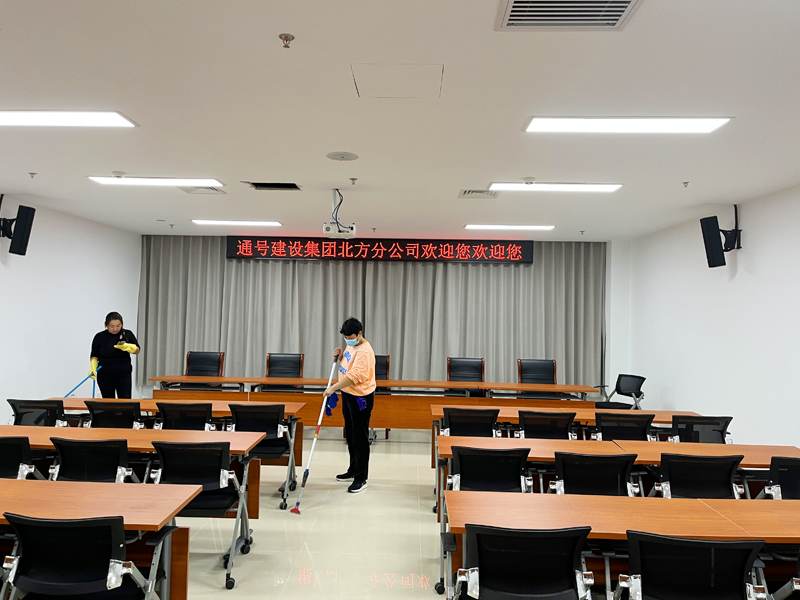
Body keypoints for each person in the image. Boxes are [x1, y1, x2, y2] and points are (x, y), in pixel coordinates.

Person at [324, 317, 376, 494]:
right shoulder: (351, 345)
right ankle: (353, 469)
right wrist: (339, 358)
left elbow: (354, 377)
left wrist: (333, 388)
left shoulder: (365, 352)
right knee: (351, 434)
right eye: (345, 337)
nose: (347, 340)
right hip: (348, 394)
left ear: (359, 333)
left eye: (350, 337)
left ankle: (361, 478)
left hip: (361, 398)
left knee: (360, 436)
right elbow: (347, 367)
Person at [90, 311, 140, 399]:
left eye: (118, 325)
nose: (115, 329)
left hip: (123, 375)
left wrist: (129, 347)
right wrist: (93, 368)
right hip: (104, 375)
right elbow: (94, 355)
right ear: (106, 325)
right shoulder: (99, 337)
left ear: (122, 324)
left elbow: (137, 350)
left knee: (125, 401)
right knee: (108, 401)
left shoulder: (127, 334)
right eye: (112, 326)